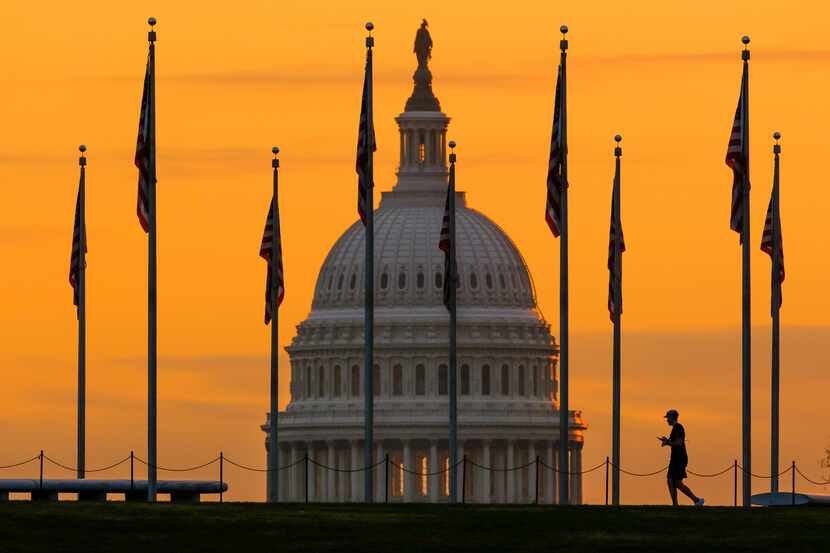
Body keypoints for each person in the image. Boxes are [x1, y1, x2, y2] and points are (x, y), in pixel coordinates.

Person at [659, 409, 704, 506]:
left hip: (679, 458)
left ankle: (695, 500)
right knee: (673, 481)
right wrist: (667, 441)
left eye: (668, 418)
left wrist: (667, 442)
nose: (667, 420)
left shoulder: (678, 428)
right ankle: (686, 502)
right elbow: (675, 443)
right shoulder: (675, 429)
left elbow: (678, 443)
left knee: (674, 481)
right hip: (676, 458)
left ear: (672, 417)